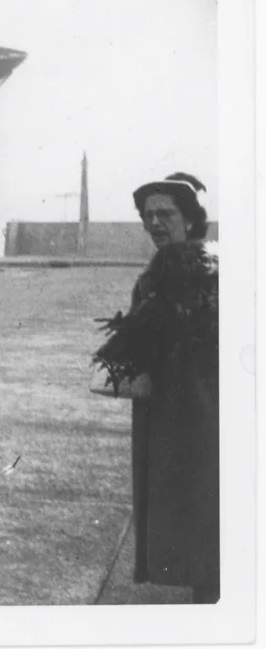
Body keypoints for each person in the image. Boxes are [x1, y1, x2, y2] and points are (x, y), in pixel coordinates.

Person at [93, 172, 219, 603]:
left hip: (205, 412)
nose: (155, 224)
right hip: (168, 410)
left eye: (166, 213)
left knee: (204, 502)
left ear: (191, 219)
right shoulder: (162, 270)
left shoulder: (203, 268)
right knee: (188, 505)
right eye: (149, 216)